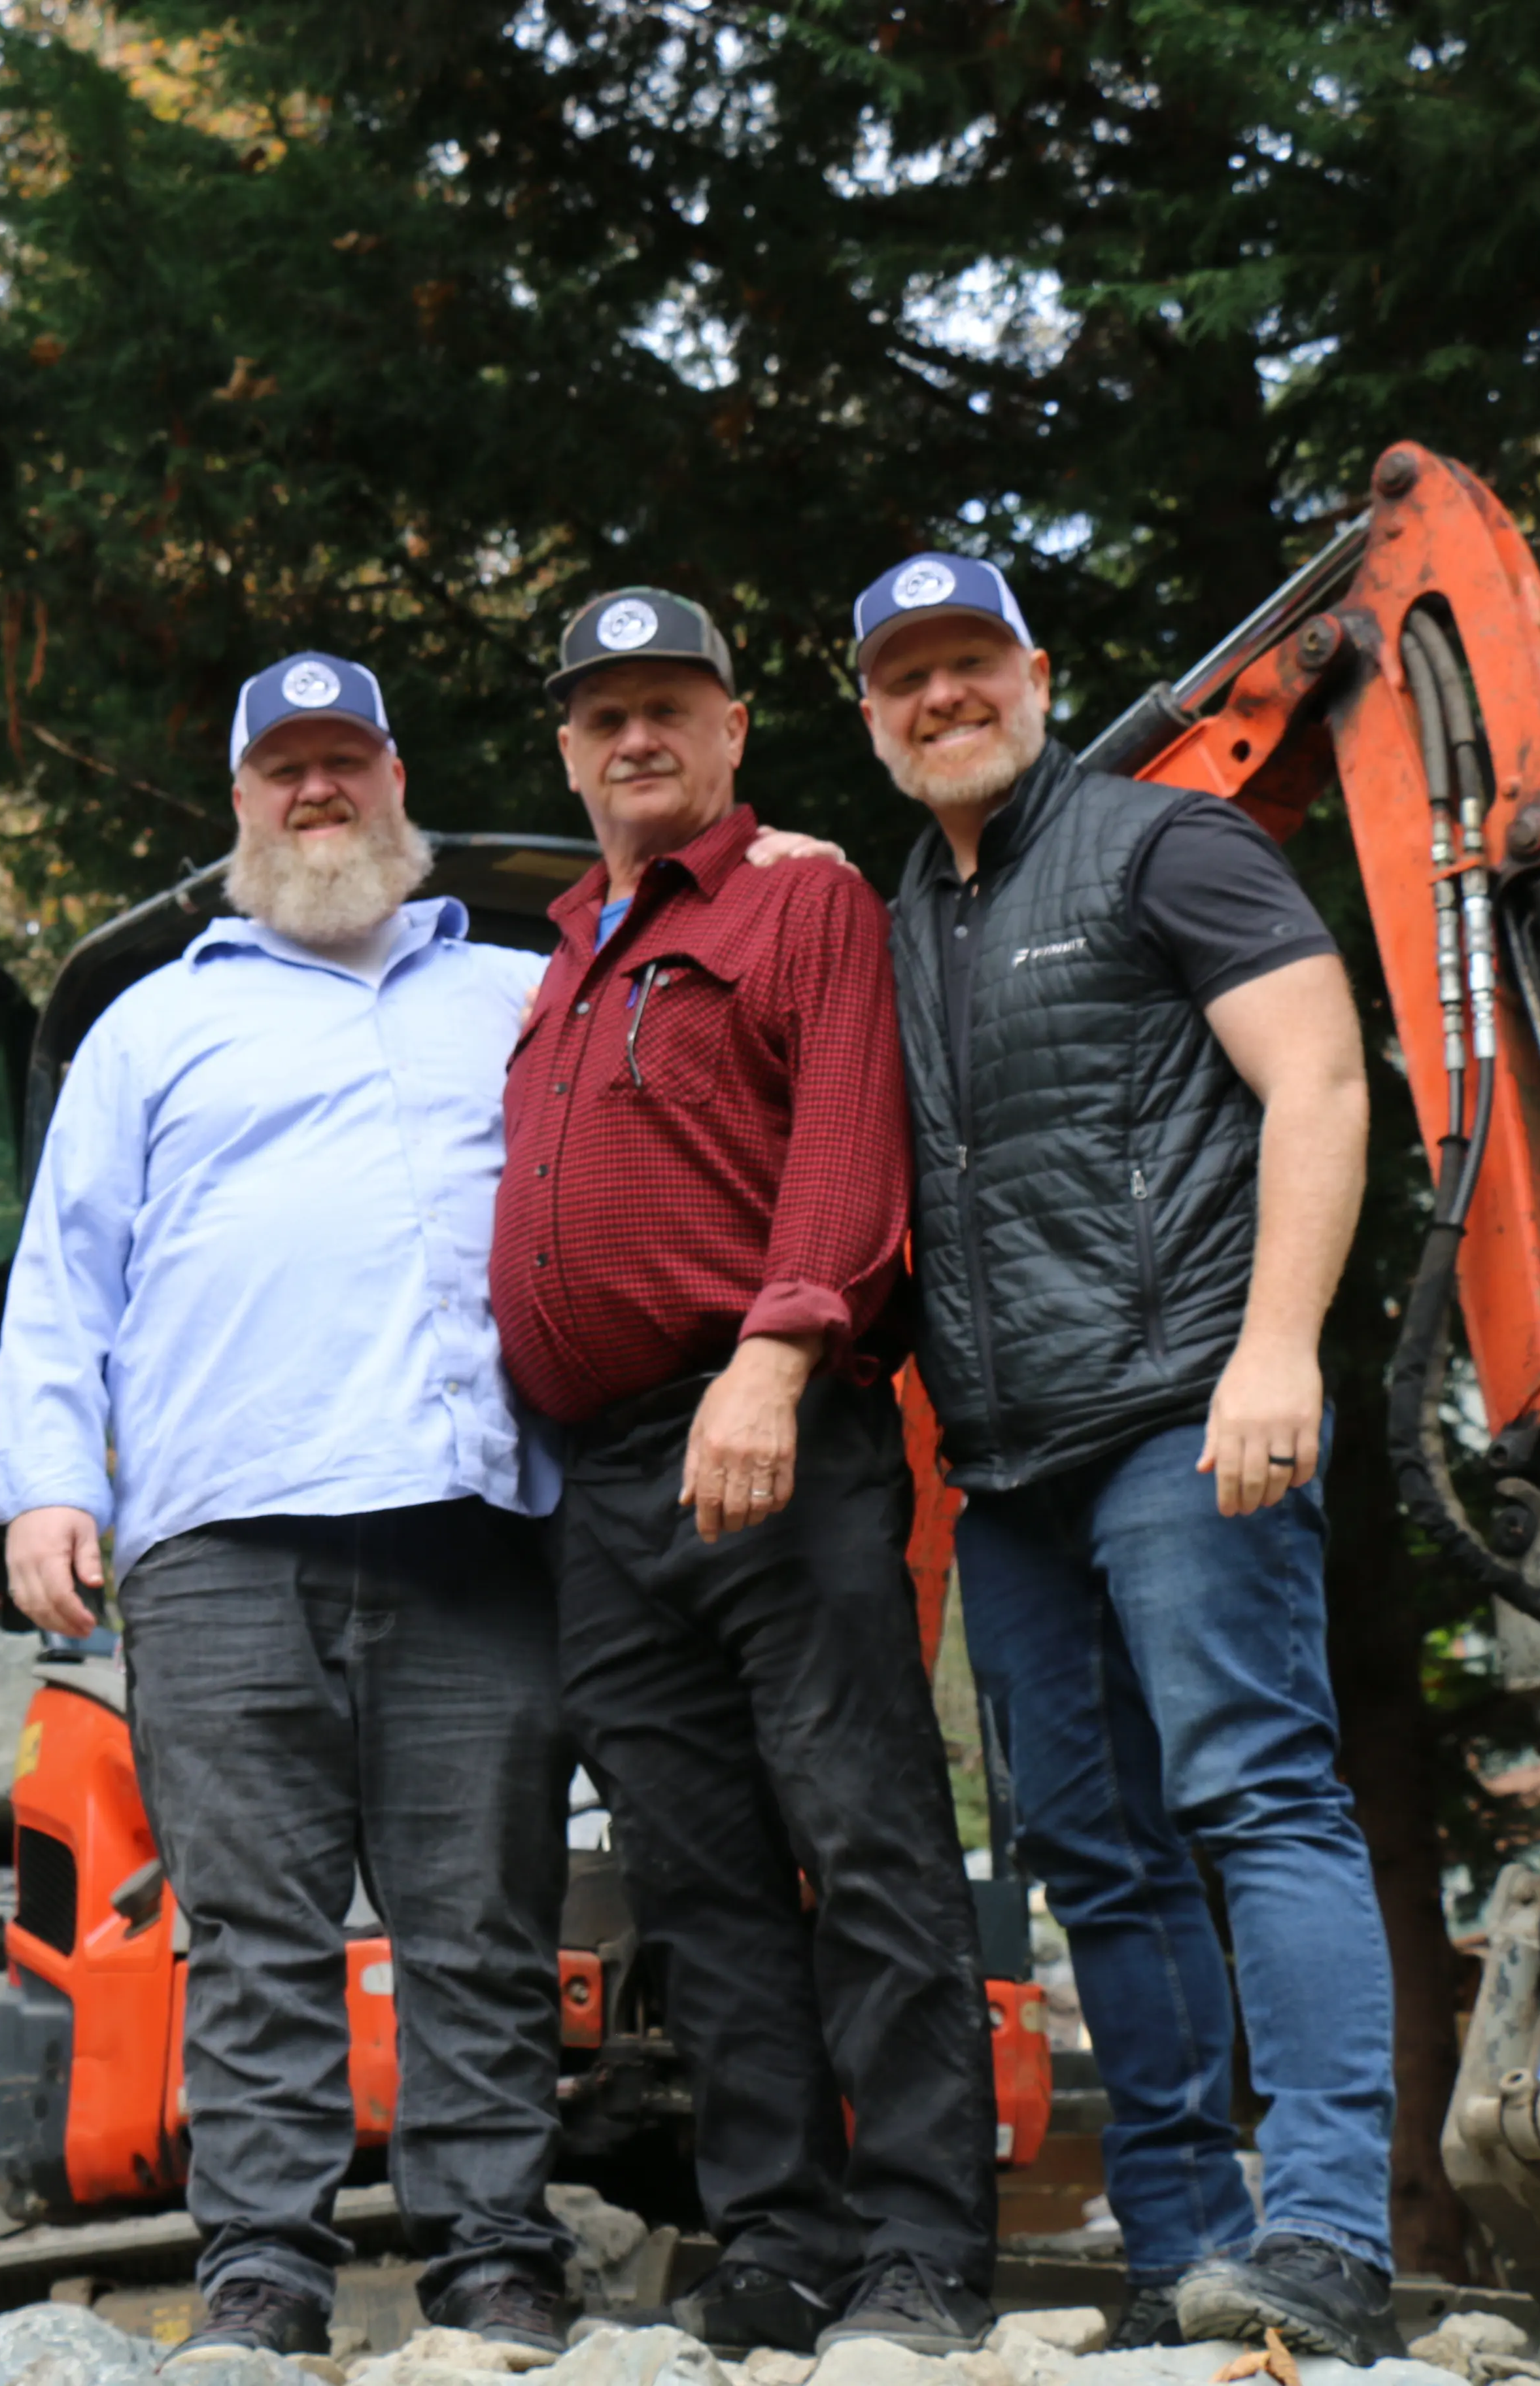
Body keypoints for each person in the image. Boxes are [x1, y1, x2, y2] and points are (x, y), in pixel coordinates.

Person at [0, 653, 582, 2362]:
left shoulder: (522, 993)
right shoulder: (153, 1024)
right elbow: (62, 1283)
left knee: (483, 1921)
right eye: (283, 769)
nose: (318, 793)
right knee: (251, 1930)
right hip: (221, 1537)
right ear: (240, 803)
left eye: (344, 761)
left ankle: (497, 2264)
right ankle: (264, 2275)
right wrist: (47, 1490)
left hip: (474, 1521)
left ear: (394, 782)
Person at [849, 552, 1396, 2360]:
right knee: (1098, 1851)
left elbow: (1319, 1079)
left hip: (1186, 1414)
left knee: (1255, 1793)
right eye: (904, 679)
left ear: (1037, 672)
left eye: (969, 665)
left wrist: (1274, 1352)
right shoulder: (902, 914)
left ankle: (1324, 2230)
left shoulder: (1169, 846)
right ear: (871, 713)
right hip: (1008, 1474)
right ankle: (1182, 2244)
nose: (942, 700)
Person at [493, 588, 1000, 2359]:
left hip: (770, 1427)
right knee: (698, 1886)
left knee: (864, 1842)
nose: (636, 738)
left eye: (669, 709)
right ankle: (779, 2242)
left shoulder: (802, 895)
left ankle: (923, 2247)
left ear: (730, 733)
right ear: (569, 751)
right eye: (602, 716)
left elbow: (853, 1150)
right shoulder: (563, 965)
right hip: (606, 1488)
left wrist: (773, 1361)